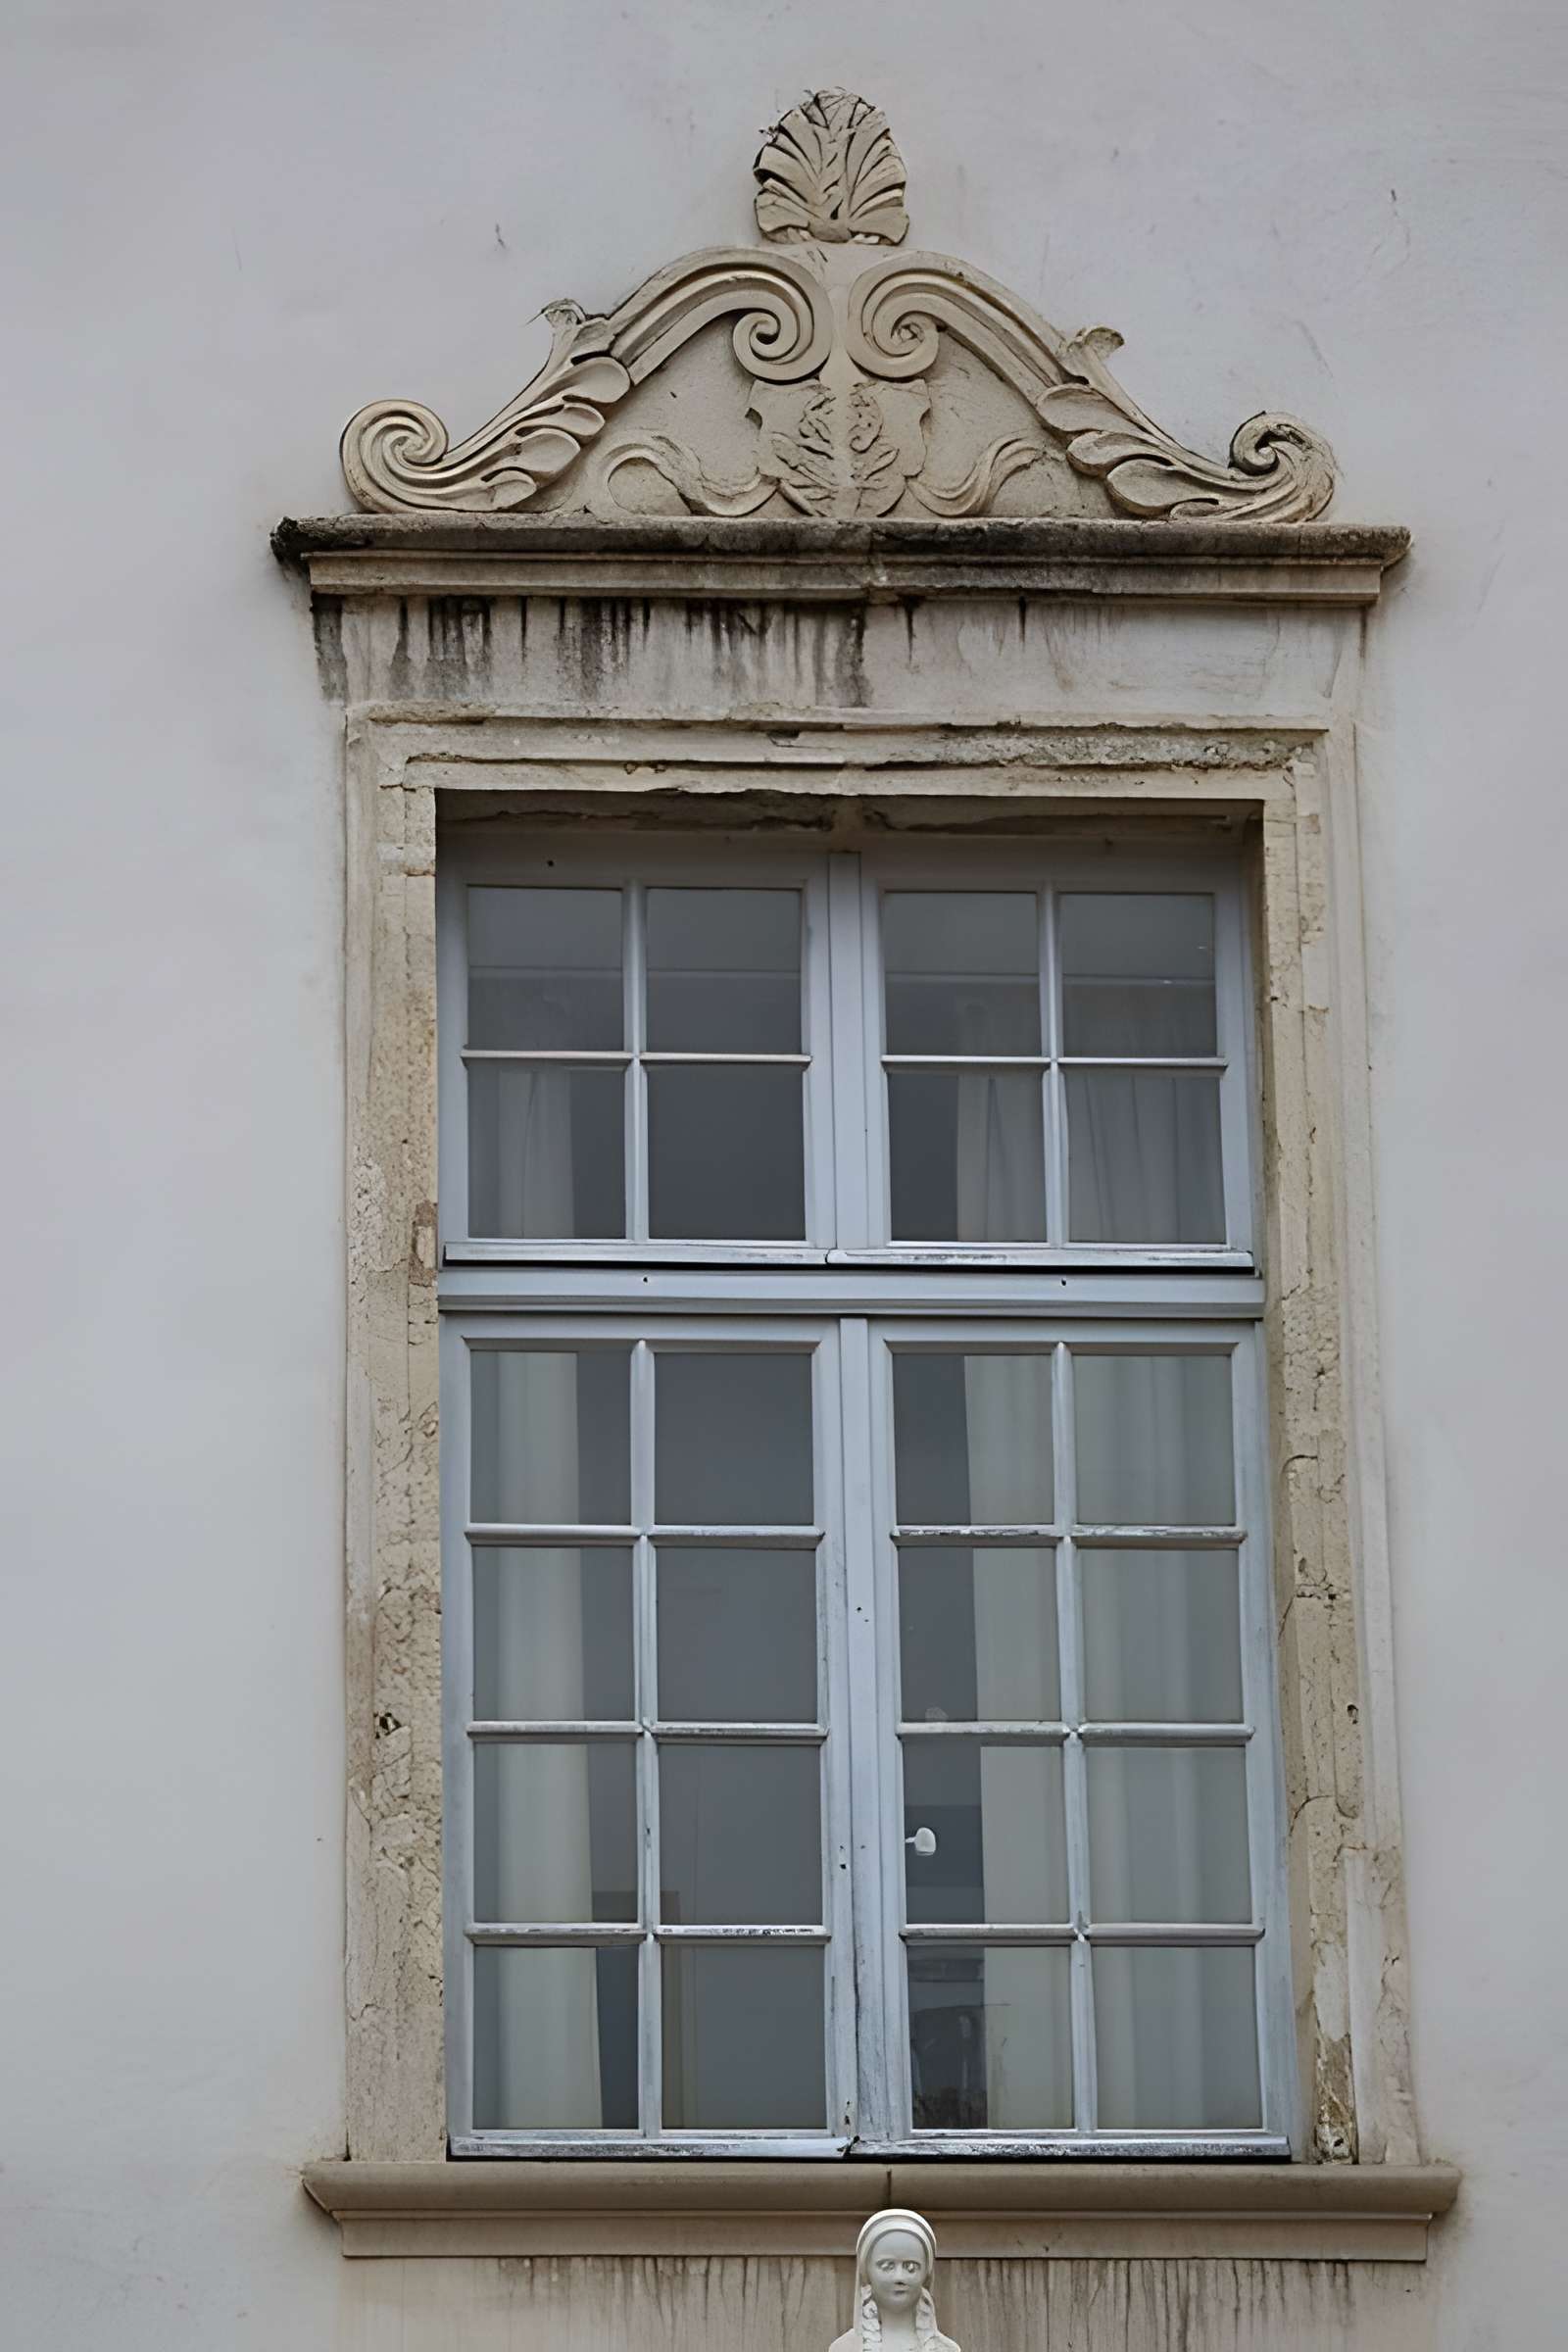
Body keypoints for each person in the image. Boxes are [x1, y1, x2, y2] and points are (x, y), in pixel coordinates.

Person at [830, 2209, 960, 2352]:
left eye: (911, 2267)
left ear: (926, 2274)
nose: (899, 2277)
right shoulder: (844, 2348)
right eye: (887, 2266)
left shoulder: (947, 2349)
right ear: (866, 2272)